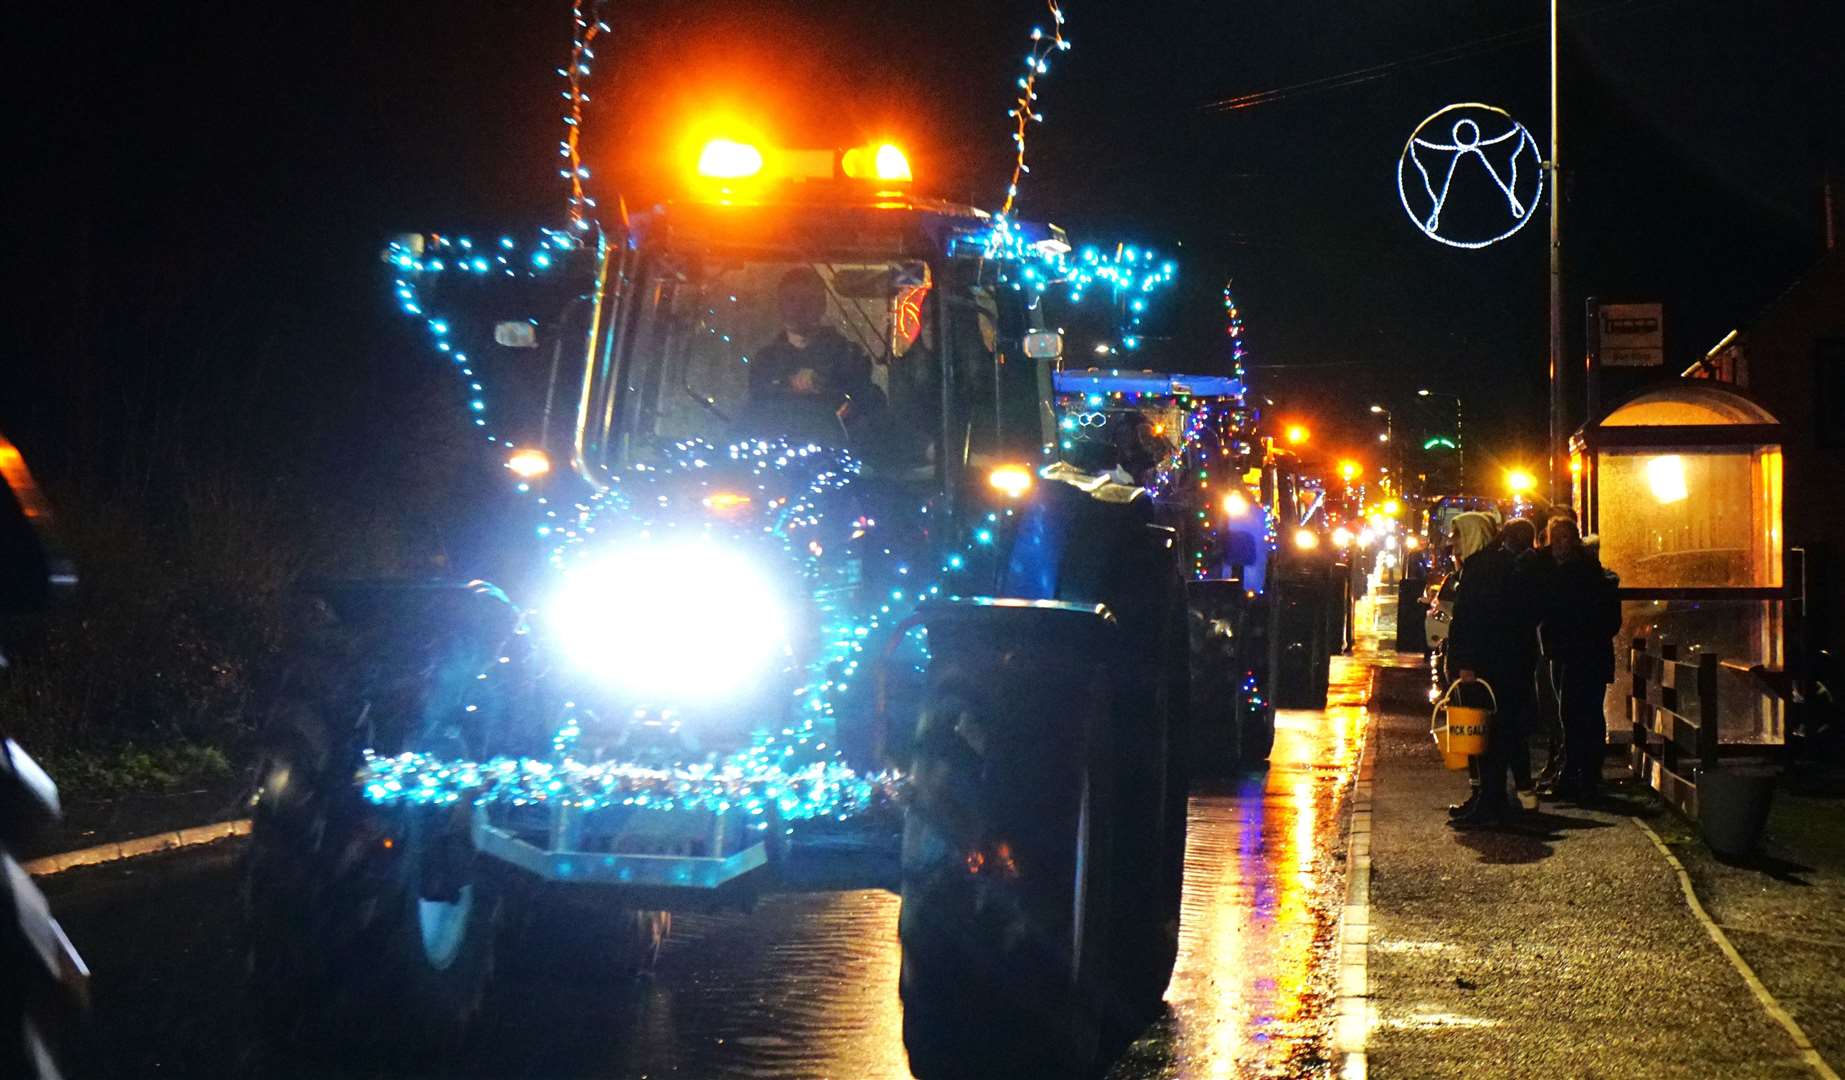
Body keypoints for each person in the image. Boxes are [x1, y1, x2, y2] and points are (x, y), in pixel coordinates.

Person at [1443, 511, 1538, 828]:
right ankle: (1487, 798)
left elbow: (1476, 620)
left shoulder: (1483, 569)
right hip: (1497, 663)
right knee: (1489, 732)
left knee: (1489, 734)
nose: (1453, 543)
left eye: (1457, 536)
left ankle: (1490, 802)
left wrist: (1466, 662)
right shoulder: (1488, 565)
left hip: (1488, 666)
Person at [745, 266, 882, 444]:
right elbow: (757, 408)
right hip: (774, 456)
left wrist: (827, 389)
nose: (798, 308)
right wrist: (787, 384)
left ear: (822, 305)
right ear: (780, 304)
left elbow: (868, 407)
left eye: (808, 300)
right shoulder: (765, 360)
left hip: (836, 454)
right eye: (791, 299)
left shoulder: (848, 356)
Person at [1536, 517, 1622, 801]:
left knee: (1572, 714)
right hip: (1589, 653)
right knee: (1588, 714)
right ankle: (1587, 774)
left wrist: (1559, 637)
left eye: (1561, 538)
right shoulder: (1593, 572)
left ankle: (1574, 776)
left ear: (1572, 540)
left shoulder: (1569, 574)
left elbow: (1557, 613)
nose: (1556, 545)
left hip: (1573, 653)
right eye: (1554, 538)